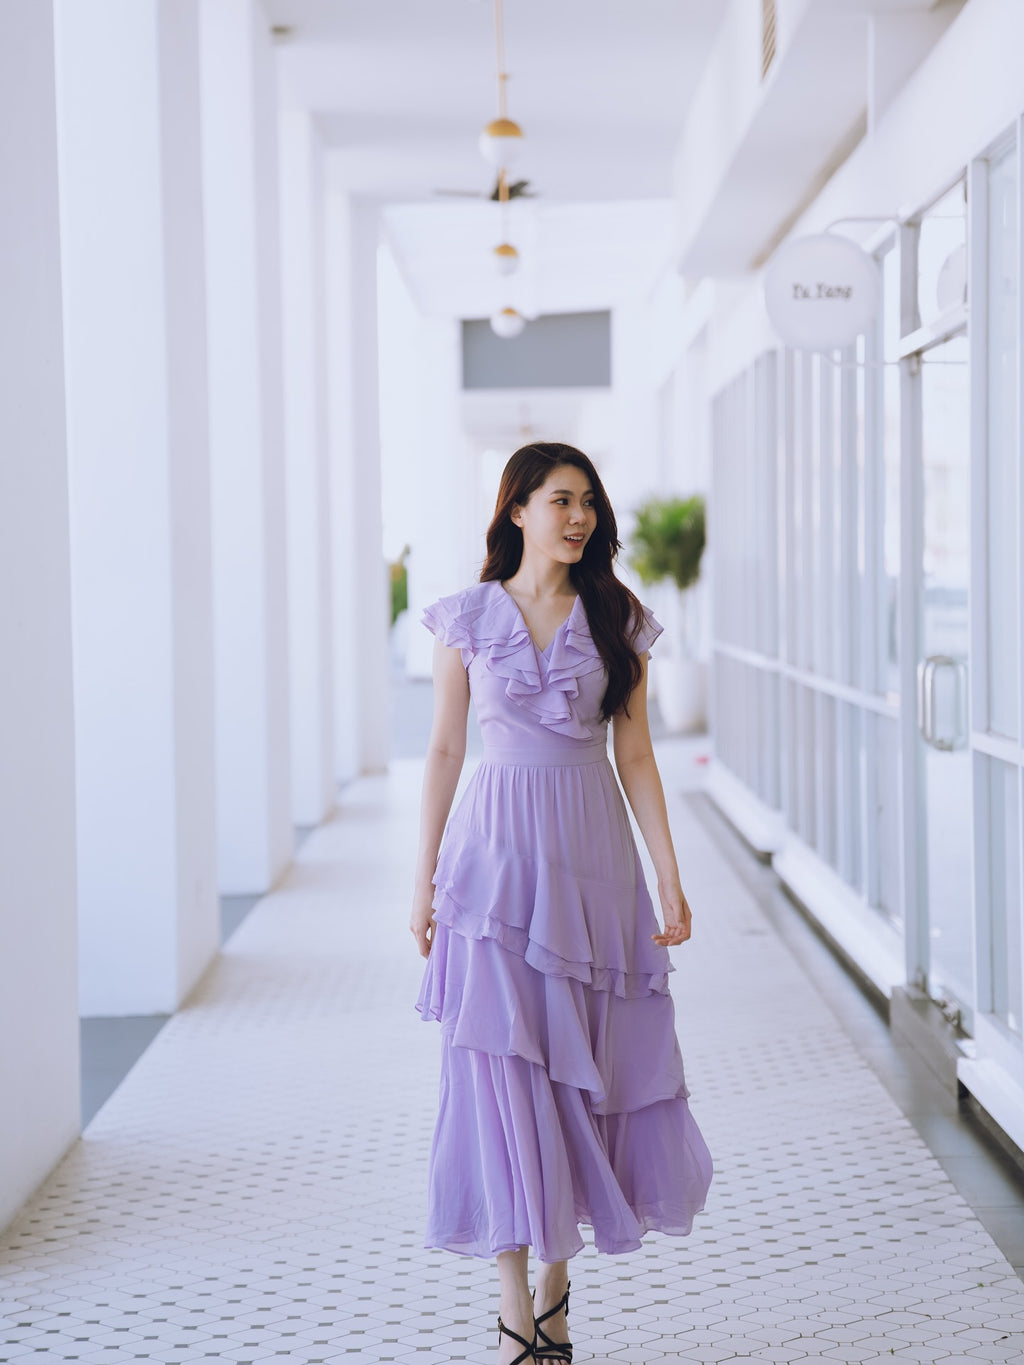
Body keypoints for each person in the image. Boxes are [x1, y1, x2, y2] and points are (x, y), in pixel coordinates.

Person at [410, 442, 713, 1364]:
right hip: (493, 876)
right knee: (498, 1074)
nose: (578, 517)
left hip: (590, 870)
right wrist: (420, 879)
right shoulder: (466, 619)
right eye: (559, 500)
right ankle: (513, 1303)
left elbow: (637, 757)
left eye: (587, 502)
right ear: (516, 512)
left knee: (590, 1073)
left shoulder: (618, 617)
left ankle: (556, 1282)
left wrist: (668, 871)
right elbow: (445, 753)